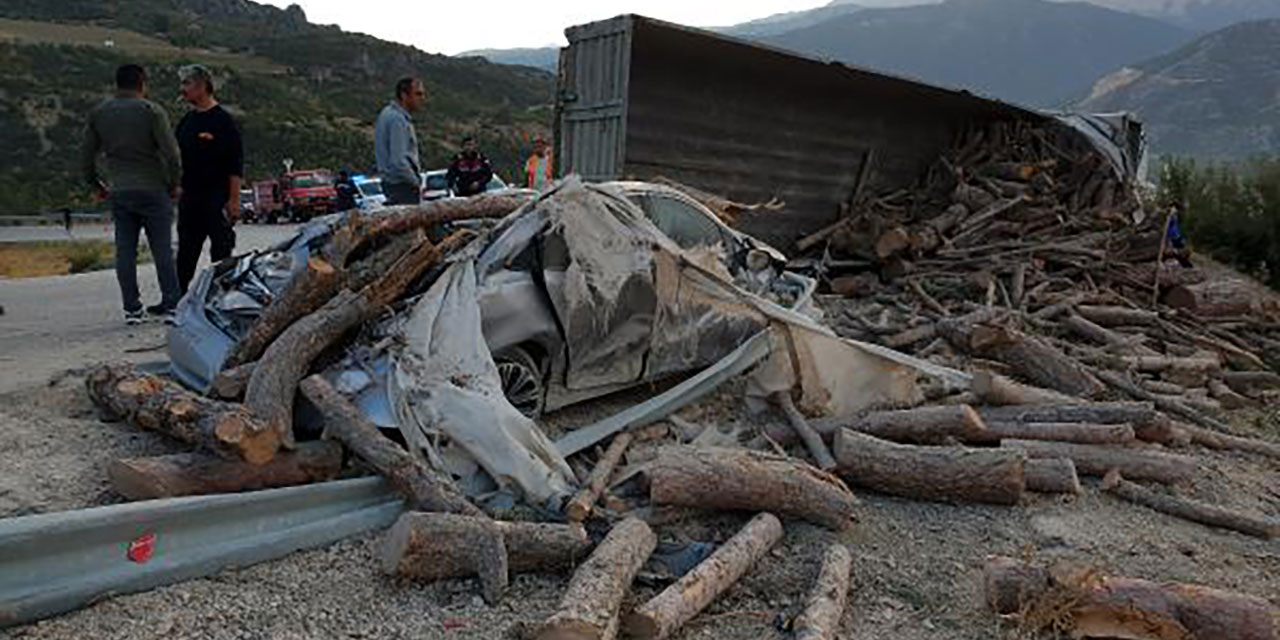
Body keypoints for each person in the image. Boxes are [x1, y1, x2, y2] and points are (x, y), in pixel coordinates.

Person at [82, 63, 183, 325]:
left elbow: (86, 157)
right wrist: (174, 183)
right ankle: (172, 304)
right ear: (142, 83)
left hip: (120, 189)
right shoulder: (151, 111)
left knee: (125, 251)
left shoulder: (99, 113)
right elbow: (172, 154)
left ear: (117, 84)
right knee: (162, 249)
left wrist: (96, 185)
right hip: (152, 188)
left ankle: (132, 309)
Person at [174, 64, 243, 295]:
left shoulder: (223, 121)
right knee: (186, 250)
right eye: (182, 84)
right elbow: (175, 158)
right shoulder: (185, 123)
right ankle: (177, 298)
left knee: (221, 250)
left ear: (203, 86)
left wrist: (234, 200)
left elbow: (235, 164)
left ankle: (220, 296)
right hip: (190, 197)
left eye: (187, 84)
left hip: (217, 196)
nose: (182, 89)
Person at [375, 77, 426, 205]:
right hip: (402, 186)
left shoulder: (388, 114)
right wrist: (415, 181)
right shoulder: (397, 119)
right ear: (404, 95)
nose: (422, 98)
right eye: (418, 94)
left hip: (393, 184)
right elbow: (398, 161)